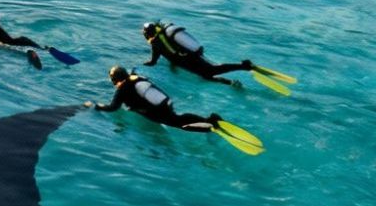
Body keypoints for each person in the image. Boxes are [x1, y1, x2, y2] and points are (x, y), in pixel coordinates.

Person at [86, 66, 220, 132]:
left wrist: (97, 106)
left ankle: (208, 127)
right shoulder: (136, 78)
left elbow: (113, 107)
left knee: (178, 125)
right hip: (165, 101)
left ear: (115, 79)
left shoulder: (123, 89)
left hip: (157, 109)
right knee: (178, 118)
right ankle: (208, 120)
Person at [142, 21, 253, 87]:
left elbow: (153, 62)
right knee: (207, 74)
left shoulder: (155, 43)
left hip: (187, 60)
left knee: (211, 71)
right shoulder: (162, 38)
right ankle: (231, 82)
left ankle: (243, 66)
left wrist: (143, 65)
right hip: (190, 55)